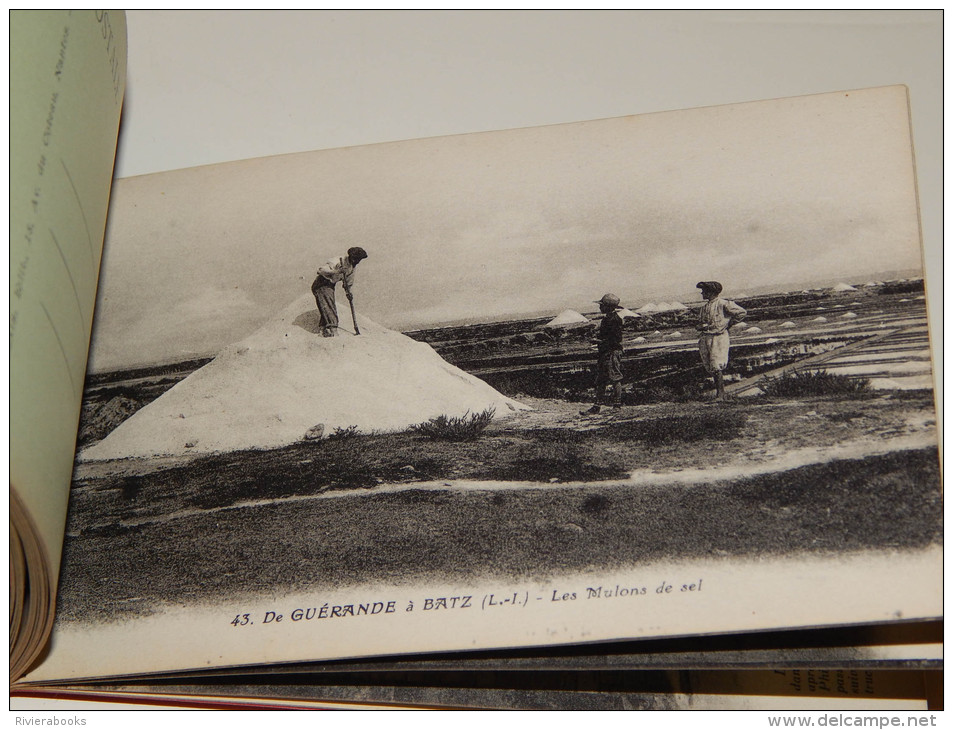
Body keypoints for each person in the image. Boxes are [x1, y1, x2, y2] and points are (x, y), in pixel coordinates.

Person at [695, 280, 746, 400]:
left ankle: (720, 394)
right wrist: (699, 326)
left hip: (718, 337)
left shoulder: (724, 304)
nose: (702, 293)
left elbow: (741, 313)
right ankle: (720, 394)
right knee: (709, 365)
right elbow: (701, 323)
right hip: (706, 337)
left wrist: (729, 324)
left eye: (704, 291)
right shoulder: (704, 308)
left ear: (711, 292)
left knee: (716, 365)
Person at [580, 293, 625, 415]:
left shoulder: (615, 320)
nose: (600, 307)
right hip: (605, 352)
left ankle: (617, 405)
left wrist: (597, 341)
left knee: (615, 377)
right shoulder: (607, 319)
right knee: (601, 379)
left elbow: (614, 340)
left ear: (608, 307)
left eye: (602, 305)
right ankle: (597, 406)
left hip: (612, 352)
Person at [311, 247, 368, 337]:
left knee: (325, 306)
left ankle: (324, 329)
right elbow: (320, 270)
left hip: (330, 285)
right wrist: (336, 271)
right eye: (356, 259)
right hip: (321, 283)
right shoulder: (337, 261)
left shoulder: (352, 267)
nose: (357, 262)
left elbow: (348, 283)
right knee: (329, 304)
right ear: (351, 257)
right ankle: (333, 329)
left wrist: (348, 292)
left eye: (359, 260)